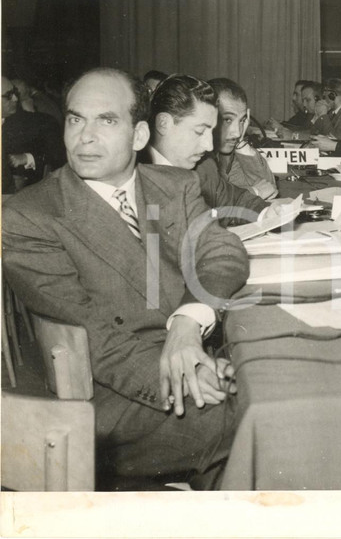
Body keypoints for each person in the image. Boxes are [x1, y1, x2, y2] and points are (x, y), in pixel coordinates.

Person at [2, 67, 249, 487]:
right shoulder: (30, 216)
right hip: (114, 397)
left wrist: (189, 323)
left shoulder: (174, 185)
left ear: (139, 136)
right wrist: (191, 376)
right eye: (76, 119)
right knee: (275, 416)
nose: (85, 136)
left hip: (190, 356)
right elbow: (97, 339)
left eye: (107, 121)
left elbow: (222, 249)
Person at [140, 74, 273, 219]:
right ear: (163, 124)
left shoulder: (204, 167)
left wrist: (267, 212)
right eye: (200, 131)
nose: (209, 146)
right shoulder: (131, 175)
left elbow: (235, 199)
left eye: (212, 131)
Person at [195, 77, 278, 199]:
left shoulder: (225, 152)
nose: (237, 132)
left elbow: (268, 187)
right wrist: (254, 192)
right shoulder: (196, 155)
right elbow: (211, 201)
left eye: (242, 121)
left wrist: (241, 144)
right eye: (227, 119)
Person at [2, 76, 66, 193]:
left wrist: (27, 158)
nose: (15, 99)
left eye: (15, 93)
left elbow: (58, 159)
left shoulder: (39, 123)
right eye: (8, 96)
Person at [310, 78, 341, 153]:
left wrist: (323, 115)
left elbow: (335, 139)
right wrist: (317, 116)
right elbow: (313, 134)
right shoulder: (332, 111)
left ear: (332, 95)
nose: (323, 96)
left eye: (325, 93)